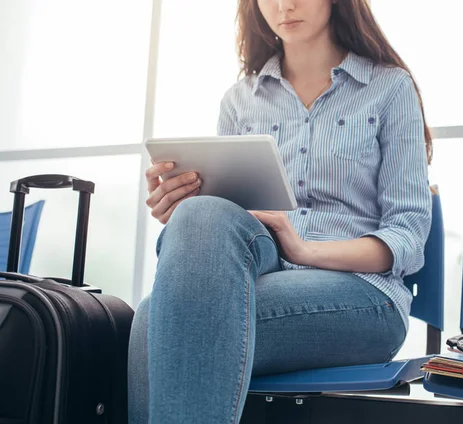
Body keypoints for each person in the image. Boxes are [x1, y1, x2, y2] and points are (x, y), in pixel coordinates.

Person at [128, 0, 433, 422]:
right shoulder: (239, 101)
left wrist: (306, 250)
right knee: (200, 219)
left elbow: (408, 235)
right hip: (263, 272)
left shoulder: (388, 88)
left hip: (364, 294)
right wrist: (186, 211)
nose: (283, 5)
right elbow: (230, 230)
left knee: (151, 324)